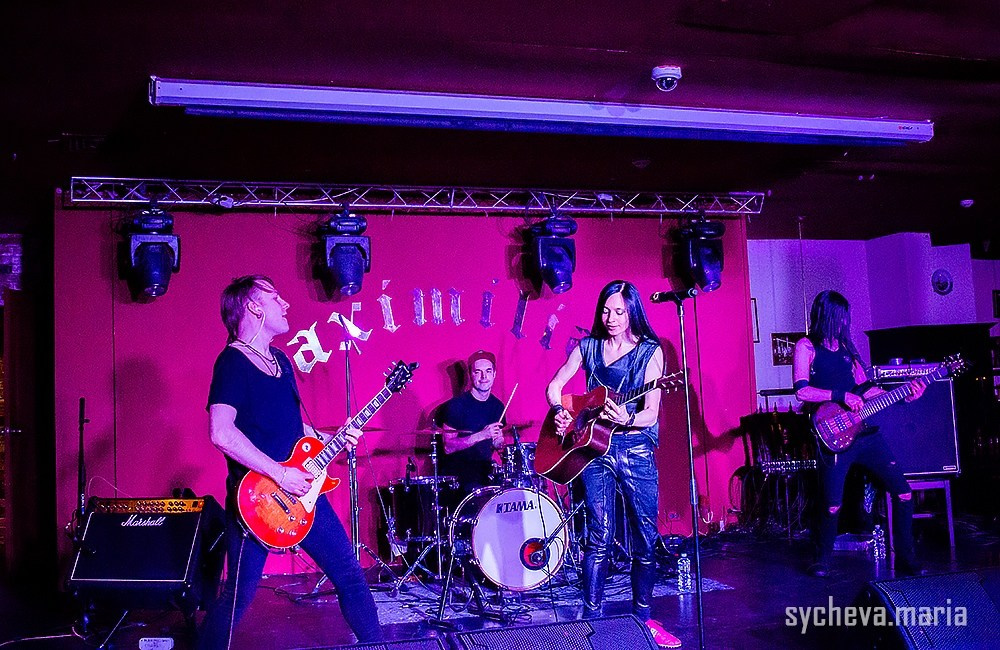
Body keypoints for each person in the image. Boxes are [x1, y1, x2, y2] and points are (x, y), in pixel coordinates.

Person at [197, 275, 383, 649]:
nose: (285, 304)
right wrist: (281, 474)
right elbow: (221, 432)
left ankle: (379, 645)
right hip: (257, 502)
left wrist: (331, 439)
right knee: (237, 597)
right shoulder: (232, 362)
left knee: (350, 574)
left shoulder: (280, 360)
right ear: (253, 307)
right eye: (275, 297)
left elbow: (296, 429)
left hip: (303, 494)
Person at [546, 280, 681, 649]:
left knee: (644, 538)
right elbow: (555, 385)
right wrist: (559, 410)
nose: (612, 318)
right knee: (598, 537)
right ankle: (591, 623)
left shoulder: (650, 352)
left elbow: (651, 413)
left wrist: (627, 418)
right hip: (595, 450)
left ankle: (643, 621)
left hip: (636, 449)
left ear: (633, 311)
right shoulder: (587, 347)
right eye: (606, 311)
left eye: (620, 311)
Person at [793, 290, 925, 578]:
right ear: (827, 316)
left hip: (864, 434)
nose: (844, 323)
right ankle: (821, 559)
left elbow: (867, 389)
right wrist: (840, 395)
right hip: (832, 433)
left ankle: (906, 557)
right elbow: (802, 391)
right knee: (832, 504)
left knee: (903, 492)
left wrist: (903, 395)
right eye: (840, 317)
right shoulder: (806, 346)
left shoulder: (848, 349)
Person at [434, 349, 505, 494]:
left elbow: (497, 442)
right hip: (458, 479)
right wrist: (482, 435)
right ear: (470, 375)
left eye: (488, 371)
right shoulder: (455, 406)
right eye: (478, 372)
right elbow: (448, 446)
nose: (484, 377)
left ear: (494, 374)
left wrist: (499, 442)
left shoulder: (498, 406)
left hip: (485, 473)